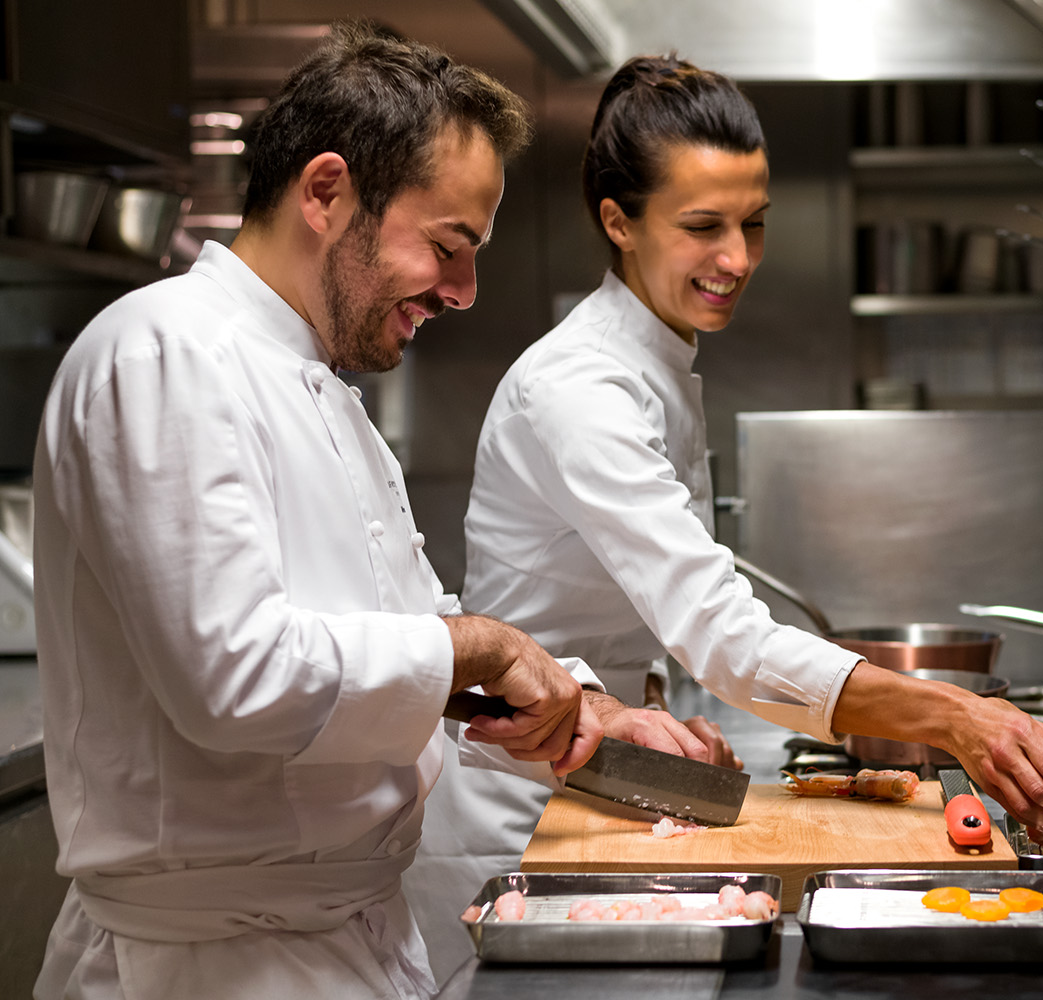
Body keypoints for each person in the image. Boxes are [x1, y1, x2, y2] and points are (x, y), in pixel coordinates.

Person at [411, 54, 1043, 974]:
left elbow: (623, 612)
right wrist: (955, 715)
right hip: (522, 820)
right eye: (703, 226)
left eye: (754, 223)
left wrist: (652, 714)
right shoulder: (578, 388)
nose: (737, 259)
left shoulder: (654, 361)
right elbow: (721, 635)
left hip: (604, 781)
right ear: (618, 222)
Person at [29, 23, 635, 1000]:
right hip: (208, 966)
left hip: (338, 939)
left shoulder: (324, 391)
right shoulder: (168, 355)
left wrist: (579, 704)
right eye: (447, 246)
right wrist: (483, 649)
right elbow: (236, 676)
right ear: (325, 192)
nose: (464, 291)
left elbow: (410, 640)